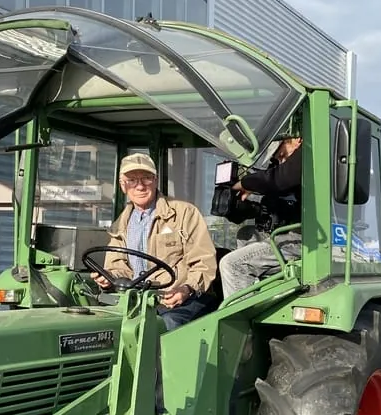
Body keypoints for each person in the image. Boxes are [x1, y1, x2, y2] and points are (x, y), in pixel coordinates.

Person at [95, 153, 218, 330]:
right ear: (123, 185)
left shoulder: (184, 213)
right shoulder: (120, 225)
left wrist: (186, 288)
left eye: (146, 178)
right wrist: (109, 278)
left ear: (155, 180)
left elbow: (204, 262)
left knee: (164, 326)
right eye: (132, 180)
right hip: (138, 300)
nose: (140, 186)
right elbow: (118, 265)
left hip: (181, 299)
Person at [218, 134, 303, 297]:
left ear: (295, 140)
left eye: (283, 155)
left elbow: (279, 178)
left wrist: (245, 183)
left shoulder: (309, 154)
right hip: (282, 236)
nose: (281, 162)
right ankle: (252, 294)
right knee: (246, 233)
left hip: (304, 240)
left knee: (232, 264)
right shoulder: (283, 173)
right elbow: (272, 188)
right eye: (277, 159)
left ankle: (239, 318)